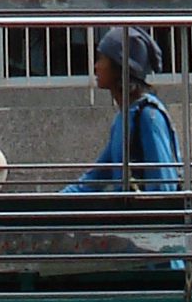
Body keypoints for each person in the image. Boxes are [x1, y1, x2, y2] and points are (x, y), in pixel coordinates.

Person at [64, 25, 181, 193]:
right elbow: (95, 178)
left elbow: (164, 186)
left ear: (119, 66)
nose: (95, 66)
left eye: (101, 59)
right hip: (127, 216)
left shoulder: (148, 115)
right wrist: (48, 205)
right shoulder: (122, 119)